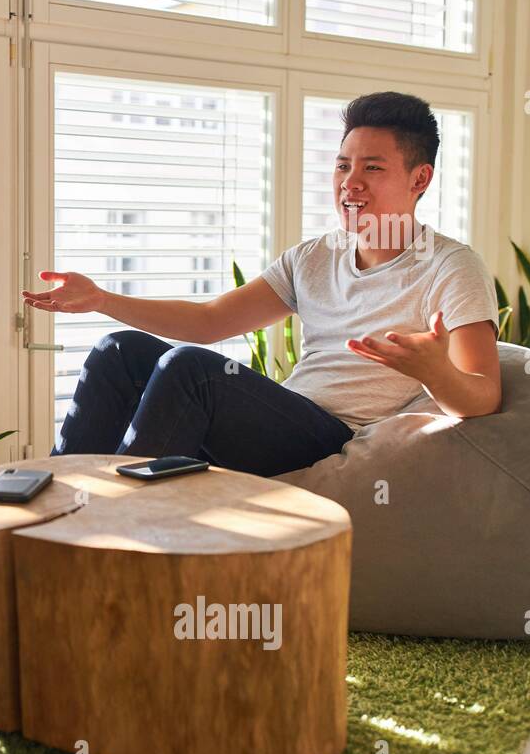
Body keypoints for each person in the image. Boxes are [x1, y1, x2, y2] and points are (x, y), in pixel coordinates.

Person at [27, 91, 502, 476]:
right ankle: (58, 501)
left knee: (193, 370)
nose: (350, 183)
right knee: (119, 350)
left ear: (420, 178)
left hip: (332, 438)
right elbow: (211, 320)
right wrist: (102, 299)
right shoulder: (313, 257)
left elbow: (484, 394)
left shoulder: (452, 267)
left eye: (372, 168)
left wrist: (435, 370)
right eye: (342, 165)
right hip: (287, 414)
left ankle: (113, 524)